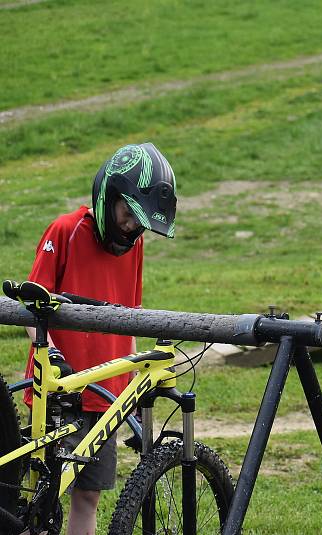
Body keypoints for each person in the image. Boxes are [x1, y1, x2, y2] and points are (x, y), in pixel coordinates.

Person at [22, 142, 177, 535]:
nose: (131, 227)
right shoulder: (66, 230)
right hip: (60, 388)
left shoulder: (135, 246)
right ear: (109, 197)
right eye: (129, 215)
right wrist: (53, 355)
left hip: (106, 391)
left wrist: (134, 382)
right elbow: (30, 306)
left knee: (88, 495)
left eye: (140, 222)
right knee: (45, 491)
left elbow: (131, 317)